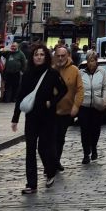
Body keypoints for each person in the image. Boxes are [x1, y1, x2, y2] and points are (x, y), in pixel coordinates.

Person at [10, 44, 66, 193]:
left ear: (46, 57)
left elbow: (63, 90)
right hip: (32, 117)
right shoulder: (27, 74)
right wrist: (15, 118)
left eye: (42, 54)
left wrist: (52, 102)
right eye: (36, 54)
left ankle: (50, 171)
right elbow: (20, 97)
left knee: (44, 148)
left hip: (48, 117)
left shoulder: (52, 73)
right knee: (30, 149)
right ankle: (31, 184)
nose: (39, 57)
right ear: (32, 57)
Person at [52, 42, 84, 170]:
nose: (60, 58)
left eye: (63, 56)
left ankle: (56, 160)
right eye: (58, 55)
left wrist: (76, 106)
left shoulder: (74, 70)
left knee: (60, 138)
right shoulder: (51, 68)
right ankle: (51, 163)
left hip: (66, 111)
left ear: (68, 55)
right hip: (51, 110)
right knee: (51, 138)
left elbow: (80, 90)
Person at [78, 48, 106, 164]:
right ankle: (86, 153)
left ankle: (94, 147)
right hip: (84, 106)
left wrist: (105, 99)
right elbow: (77, 88)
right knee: (84, 130)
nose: (91, 63)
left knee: (95, 129)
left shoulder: (102, 72)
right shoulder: (81, 73)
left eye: (93, 60)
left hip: (97, 105)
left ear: (96, 61)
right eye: (89, 60)